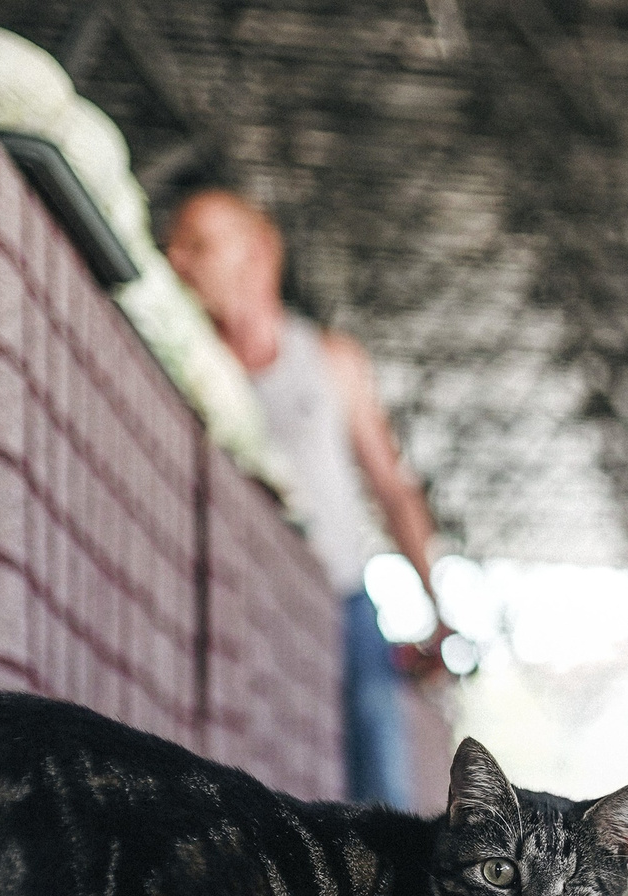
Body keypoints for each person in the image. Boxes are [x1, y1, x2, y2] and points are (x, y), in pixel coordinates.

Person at [164, 190, 449, 810]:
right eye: (174, 245)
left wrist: (436, 601)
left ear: (258, 254)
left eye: (198, 245)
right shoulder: (188, 359)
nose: (176, 260)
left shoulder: (330, 360)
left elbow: (392, 488)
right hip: (242, 603)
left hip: (340, 602)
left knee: (382, 801)